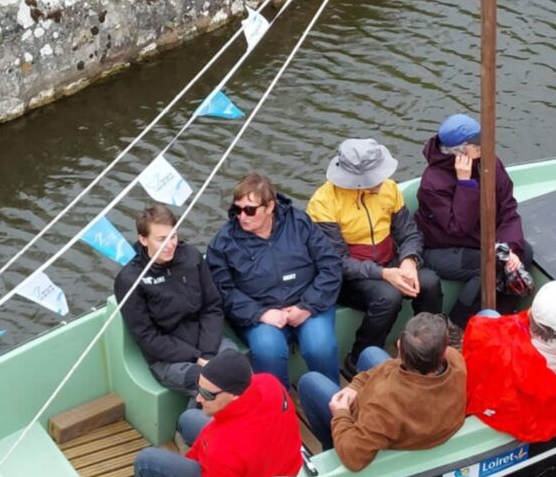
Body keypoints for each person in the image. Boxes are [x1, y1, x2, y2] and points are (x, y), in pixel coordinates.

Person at [127, 352, 302, 477]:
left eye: (209, 394)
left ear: (234, 396)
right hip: (279, 467)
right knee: (188, 419)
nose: (200, 398)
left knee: (146, 463)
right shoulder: (269, 383)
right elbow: (218, 434)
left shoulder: (223, 447)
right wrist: (196, 458)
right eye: (198, 388)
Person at [306, 138, 444, 376]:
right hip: (350, 277)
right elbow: (337, 262)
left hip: (389, 261)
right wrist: (383, 274)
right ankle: (358, 359)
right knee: (387, 297)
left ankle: (426, 350)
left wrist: (409, 261)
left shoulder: (388, 189)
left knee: (429, 282)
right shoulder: (323, 203)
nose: (382, 180)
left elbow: (409, 232)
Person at [208, 172, 343, 386]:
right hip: (260, 315)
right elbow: (223, 290)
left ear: (270, 207)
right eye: (237, 210)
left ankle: (333, 401)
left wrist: (307, 306)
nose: (242, 216)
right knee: (268, 351)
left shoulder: (299, 222)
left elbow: (330, 265)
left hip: (308, 305)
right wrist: (260, 314)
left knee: (321, 346)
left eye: (250, 210)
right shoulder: (223, 243)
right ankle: (279, 409)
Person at [296, 312, 467, 471]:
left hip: (367, 434)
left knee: (310, 383)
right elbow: (389, 368)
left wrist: (341, 413)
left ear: (400, 348)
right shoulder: (455, 360)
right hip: (426, 421)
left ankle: (333, 447)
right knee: (371, 353)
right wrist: (353, 387)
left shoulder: (386, 403)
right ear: (443, 351)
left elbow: (354, 458)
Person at [416, 113, 533, 330]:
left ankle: (501, 319)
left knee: (524, 253)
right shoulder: (432, 182)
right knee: (487, 263)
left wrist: (511, 248)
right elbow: (458, 228)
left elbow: (507, 208)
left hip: (479, 239)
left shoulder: (490, 163)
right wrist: (466, 184)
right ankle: (455, 325)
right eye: (476, 143)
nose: (484, 145)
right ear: (459, 151)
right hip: (442, 247)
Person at [462, 280, 556, 441]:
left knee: (487, 314)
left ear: (530, 314)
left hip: (509, 418)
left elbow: (474, 365)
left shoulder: (496, 341)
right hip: (540, 422)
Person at [114, 204, 241, 396]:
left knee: (239, 372)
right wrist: (196, 357)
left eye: (173, 236)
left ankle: (194, 419)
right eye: (161, 239)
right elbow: (147, 336)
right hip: (168, 359)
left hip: (207, 342)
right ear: (143, 239)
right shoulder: (130, 280)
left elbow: (211, 307)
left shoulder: (191, 257)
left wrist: (207, 353)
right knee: (212, 387)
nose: (170, 245)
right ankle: (191, 423)